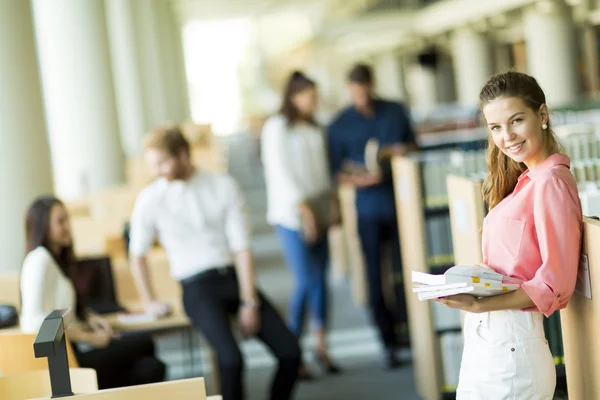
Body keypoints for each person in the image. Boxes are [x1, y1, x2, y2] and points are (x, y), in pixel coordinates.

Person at [436, 72, 583, 399]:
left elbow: (555, 284)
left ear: (542, 115)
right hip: (490, 345)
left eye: (516, 120)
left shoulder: (551, 183)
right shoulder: (526, 181)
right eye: (496, 127)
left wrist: (479, 304)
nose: (507, 136)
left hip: (513, 349)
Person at [129, 126, 301, 400]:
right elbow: (137, 254)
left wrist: (249, 302)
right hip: (196, 288)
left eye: (162, 162)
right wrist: (149, 300)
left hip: (232, 278)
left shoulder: (222, 185)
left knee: (291, 352)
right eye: (153, 165)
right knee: (231, 360)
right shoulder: (150, 199)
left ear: (183, 154)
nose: (157, 171)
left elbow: (242, 248)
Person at [20, 196, 166, 390]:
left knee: (151, 368)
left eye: (67, 219)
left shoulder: (56, 261)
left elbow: (61, 307)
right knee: (145, 344)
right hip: (63, 363)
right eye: (60, 221)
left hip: (72, 351)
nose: (67, 227)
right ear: (42, 226)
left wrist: (90, 318)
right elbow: (36, 324)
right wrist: (90, 338)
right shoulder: (39, 259)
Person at [327, 63, 418, 368]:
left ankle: (413, 332)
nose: (361, 97)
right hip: (367, 210)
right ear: (349, 90)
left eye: (365, 90)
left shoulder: (394, 111)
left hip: (401, 205)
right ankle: (388, 340)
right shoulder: (339, 124)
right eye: (355, 92)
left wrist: (396, 152)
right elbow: (337, 172)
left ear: (372, 85)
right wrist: (360, 179)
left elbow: (413, 145)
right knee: (375, 275)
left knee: (408, 270)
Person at [261, 71, 341, 379]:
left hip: (318, 210)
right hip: (291, 217)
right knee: (307, 280)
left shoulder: (314, 128)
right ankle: (292, 351)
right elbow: (282, 176)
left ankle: (321, 346)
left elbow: (322, 173)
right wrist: (306, 213)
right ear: (293, 97)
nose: (314, 101)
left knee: (322, 280)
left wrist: (329, 207)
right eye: (309, 95)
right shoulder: (276, 128)